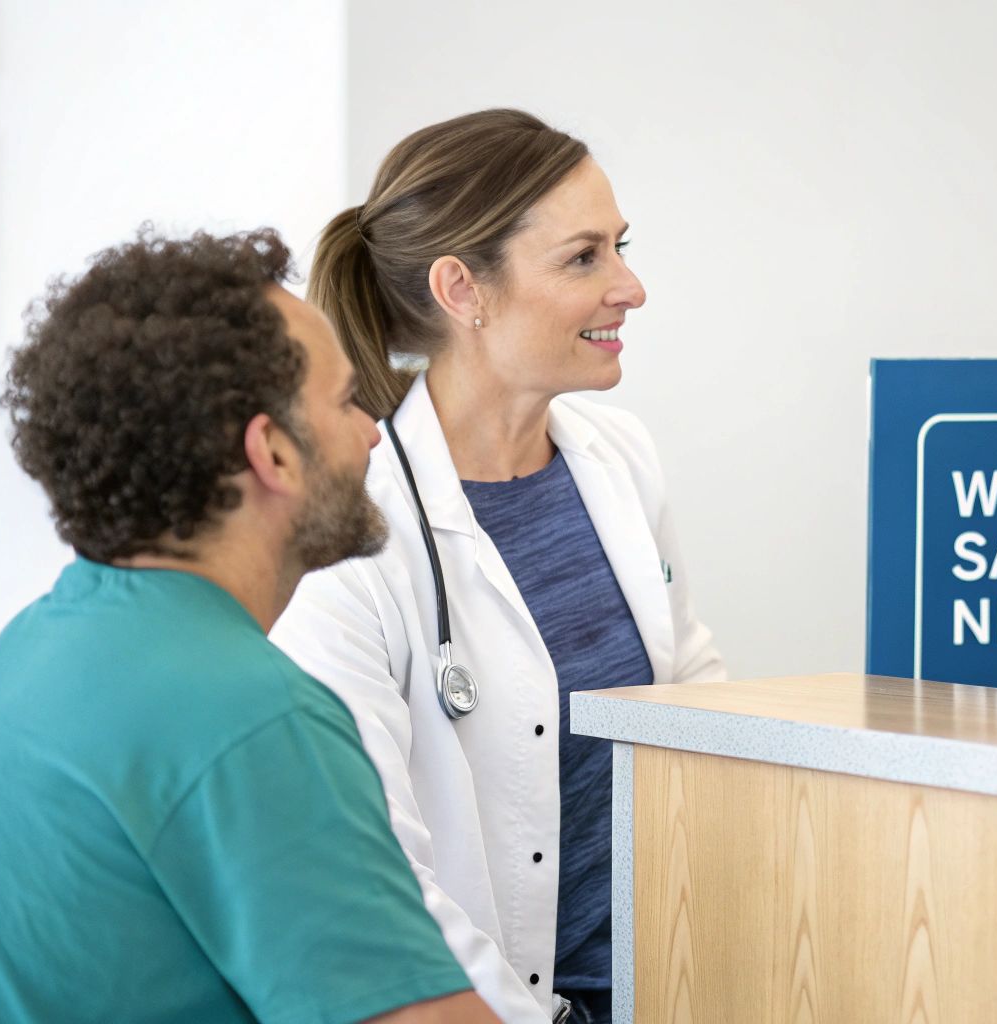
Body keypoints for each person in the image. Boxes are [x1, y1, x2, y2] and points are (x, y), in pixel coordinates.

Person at [0, 229, 499, 1024]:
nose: (371, 431)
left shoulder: (38, 645)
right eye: (347, 401)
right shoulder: (249, 714)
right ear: (273, 454)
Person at [270, 109, 724, 1023]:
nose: (630, 287)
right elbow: (374, 869)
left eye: (621, 248)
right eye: (583, 258)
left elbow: (695, 697)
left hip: (665, 983)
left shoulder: (619, 457)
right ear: (461, 289)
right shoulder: (351, 535)